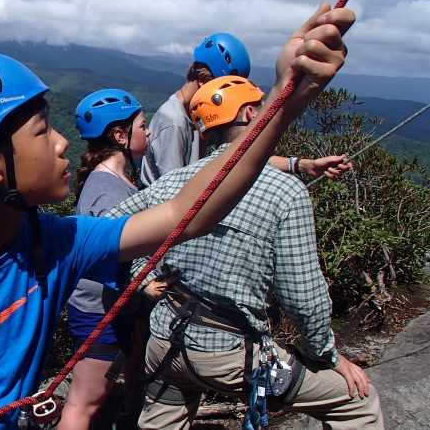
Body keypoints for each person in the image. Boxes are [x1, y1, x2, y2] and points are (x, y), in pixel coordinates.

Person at [0, 2, 354, 430]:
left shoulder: (54, 239)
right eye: (41, 131)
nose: (60, 145)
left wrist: (281, 100)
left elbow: (186, 211)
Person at [107, 75, 383, 429]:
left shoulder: (174, 182)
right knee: (359, 404)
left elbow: (109, 229)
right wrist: (327, 355)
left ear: (205, 132)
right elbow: (303, 299)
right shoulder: (285, 193)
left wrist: (141, 274)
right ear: (252, 112)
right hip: (232, 352)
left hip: (165, 343)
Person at [58, 89, 171, 430]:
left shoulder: (111, 180)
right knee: (83, 404)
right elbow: (109, 256)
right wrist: (142, 289)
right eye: (142, 125)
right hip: (100, 312)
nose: (148, 131)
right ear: (121, 136)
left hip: (105, 308)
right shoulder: (108, 191)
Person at [139, 32, 352, 187]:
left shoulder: (201, 116)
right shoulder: (174, 122)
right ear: (203, 80)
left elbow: (235, 154)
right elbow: (174, 190)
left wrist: (302, 165)